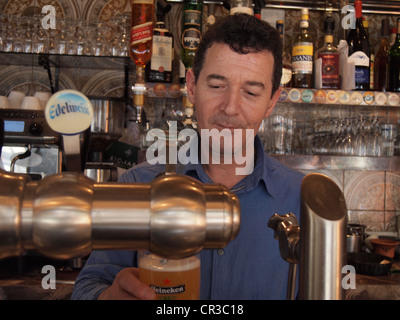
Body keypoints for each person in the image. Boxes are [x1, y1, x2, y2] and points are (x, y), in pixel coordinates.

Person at [71, 13, 304, 300]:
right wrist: (108, 296)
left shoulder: (302, 198)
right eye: (217, 86)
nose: (231, 108)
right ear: (192, 86)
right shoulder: (138, 185)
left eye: (251, 92)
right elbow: (85, 289)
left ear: (272, 102)